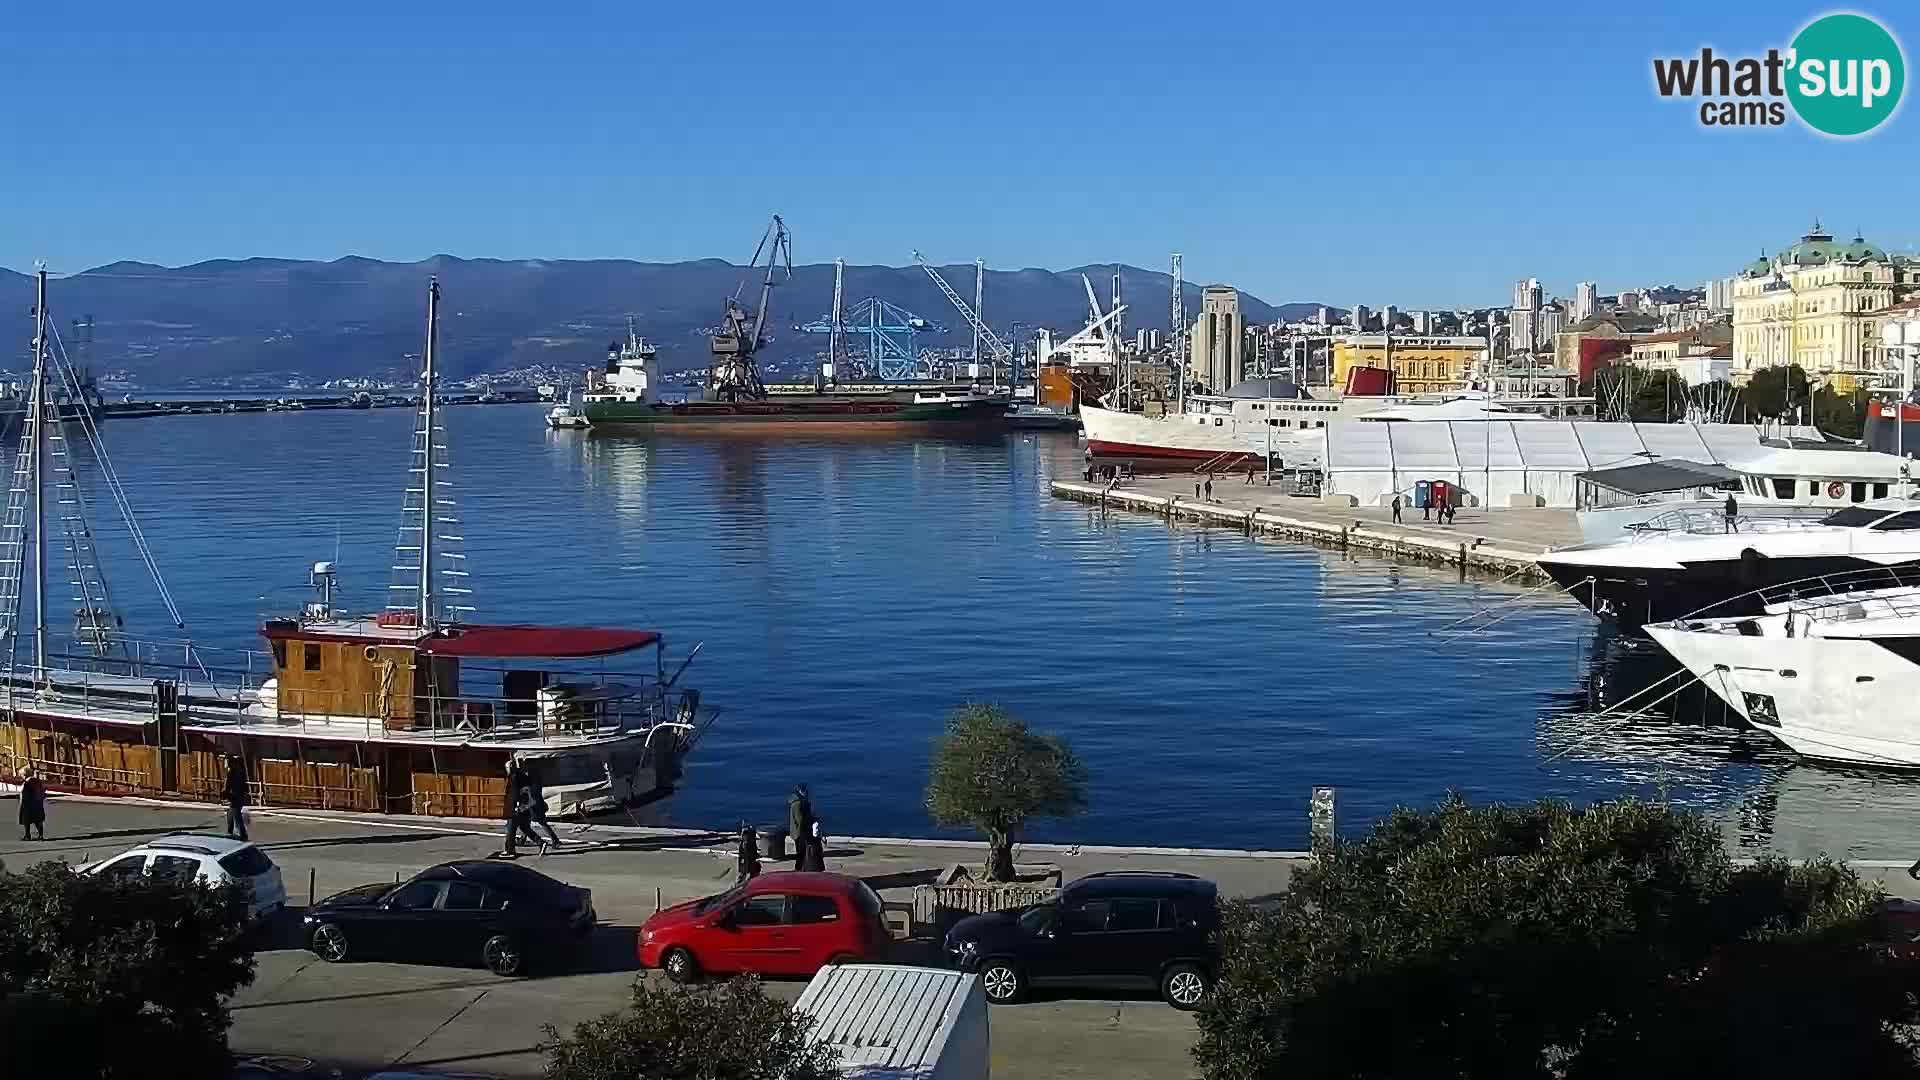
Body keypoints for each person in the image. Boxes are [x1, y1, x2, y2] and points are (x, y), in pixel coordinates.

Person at [787, 784, 816, 872]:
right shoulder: (798, 804)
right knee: (801, 853)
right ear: (800, 791)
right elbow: (800, 820)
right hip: (800, 833)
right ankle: (798, 869)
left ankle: (800, 868)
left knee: (801, 852)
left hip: (797, 832)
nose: (806, 793)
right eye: (804, 791)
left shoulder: (797, 802)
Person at [223, 755, 249, 841]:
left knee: (236, 816)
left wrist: (226, 793)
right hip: (236, 797)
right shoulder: (237, 771)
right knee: (233, 815)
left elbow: (230, 786)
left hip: (236, 797)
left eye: (226, 762)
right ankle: (237, 833)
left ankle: (241, 835)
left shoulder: (234, 772)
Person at [18, 767, 46, 841]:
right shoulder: (38, 781)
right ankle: (41, 835)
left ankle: (27, 836)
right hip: (38, 803)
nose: (20, 776)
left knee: (26, 820)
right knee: (38, 820)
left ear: (24, 775)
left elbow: (25, 794)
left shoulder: (27, 783)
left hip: (27, 804)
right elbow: (42, 791)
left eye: (21, 774)